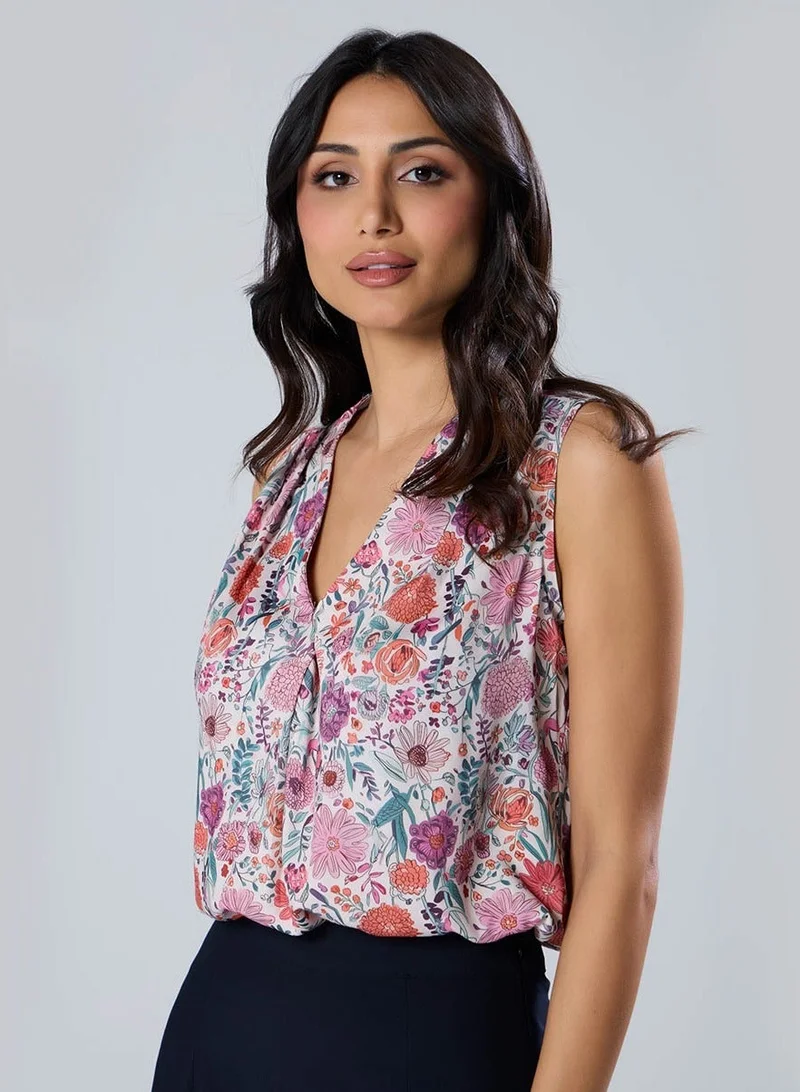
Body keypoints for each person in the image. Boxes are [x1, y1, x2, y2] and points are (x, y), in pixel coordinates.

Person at [150, 27, 688, 1092]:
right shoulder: (287, 479)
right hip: (220, 1027)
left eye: (422, 172)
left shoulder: (579, 462)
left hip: (434, 1042)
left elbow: (619, 867)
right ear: (296, 216)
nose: (374, 216)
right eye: (334, 176)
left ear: (494, 201)